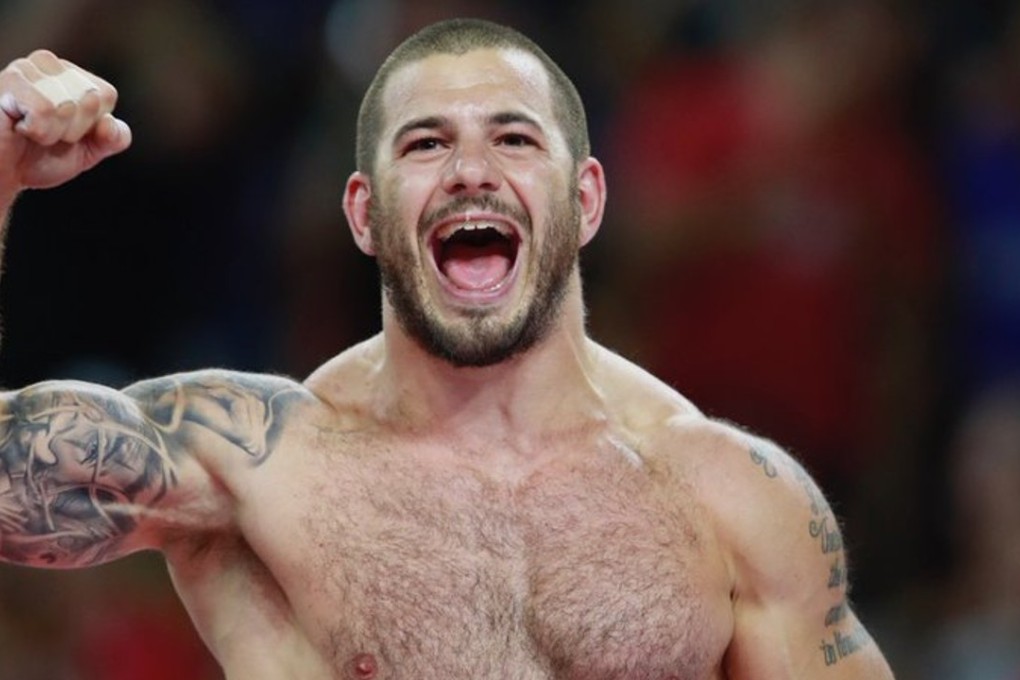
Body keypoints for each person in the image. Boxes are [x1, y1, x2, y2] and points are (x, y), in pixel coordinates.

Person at [0, 17, 895, 679]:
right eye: (427, 143)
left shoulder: (733, 494)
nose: (471, 169)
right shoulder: (256, 462)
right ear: (364, 214)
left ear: (585, 201)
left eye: (512, 137)